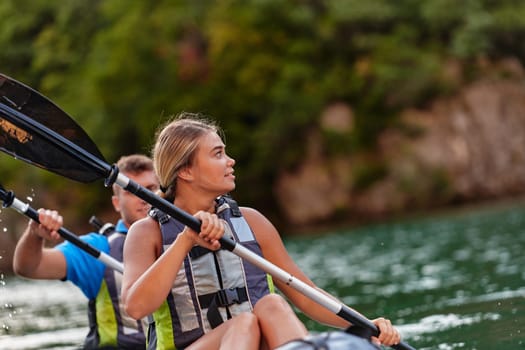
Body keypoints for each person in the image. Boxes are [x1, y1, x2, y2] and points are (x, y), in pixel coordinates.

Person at [121, 113, 401, 350]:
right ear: (186, 172)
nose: (230, 161)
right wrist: (185, 241)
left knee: (272, 305)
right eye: (218, 154)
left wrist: (365, 325)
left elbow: (306, 294)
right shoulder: (148, 232)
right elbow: (135, 307)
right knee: (244, 322)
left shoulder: (252, 222)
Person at [13, 154, 159, 350]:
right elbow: (29, 267)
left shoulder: (182, 238)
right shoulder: (98, 249)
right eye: (132, 191)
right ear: (116, 203)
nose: (143, 198)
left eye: (150, 189)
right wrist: (34, 233)